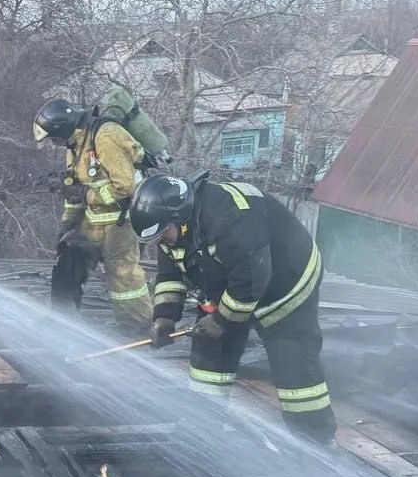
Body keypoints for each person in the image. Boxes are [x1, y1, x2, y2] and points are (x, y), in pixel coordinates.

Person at [128, 172, 336, 444]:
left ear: (180, 219)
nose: (161, 243)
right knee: (208, 353)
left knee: (293, 365)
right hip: (230, 283)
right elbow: (171, 271)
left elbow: (250, 282)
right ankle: (202, 432)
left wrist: (221, 321)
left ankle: (316, 442)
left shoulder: (232, 219)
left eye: (162, 235)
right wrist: (164, 317)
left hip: (286, 284)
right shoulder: (173, 229)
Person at [33, 98, 153, 336]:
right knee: (68, 262)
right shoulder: (75, 143)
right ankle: (62, 320)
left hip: (121, 220)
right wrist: (68, 222)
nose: (55, 144)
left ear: (63, 128)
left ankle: (137, 327)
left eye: (54, 139)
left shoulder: (105, 136)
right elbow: (74, 187)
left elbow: (125, 187)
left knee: (122, 275)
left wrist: (86, 194)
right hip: (94, 219)